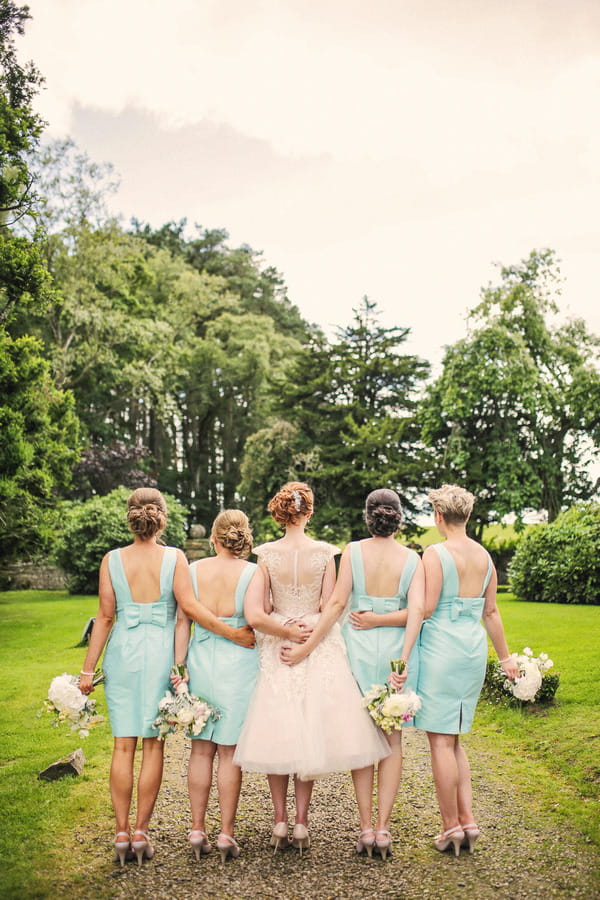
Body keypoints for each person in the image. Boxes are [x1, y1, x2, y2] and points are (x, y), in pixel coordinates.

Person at [234, 482, 389, 854]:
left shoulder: (266, 555)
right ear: (309, 512)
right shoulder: (325, 553)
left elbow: (255, 614)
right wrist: (308, 639)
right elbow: (329, 607)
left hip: (279, 645)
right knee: (308, 733)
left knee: (277, 731)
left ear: (281, 512)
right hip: (316, 643)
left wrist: (285, 629)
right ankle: (302, 823)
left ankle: (280, 819)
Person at [403, 484, 520, 857]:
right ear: (467, 516)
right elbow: (491, 613)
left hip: (441, 651)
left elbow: (425, 608)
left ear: (439, 516)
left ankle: (450, 827)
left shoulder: (434, 554)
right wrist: (506, 660)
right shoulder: (485, 557)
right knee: (455, 739)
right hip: (472, 651)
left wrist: (400, 652)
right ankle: (468, 822)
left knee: (440, 740)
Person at [79, 488, 194, 867]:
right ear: (160, 516)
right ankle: (142, 832)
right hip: (160, 655)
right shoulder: (176, 558)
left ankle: (121, 832)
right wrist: (178, 667)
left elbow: (105, 618)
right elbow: (183, 617)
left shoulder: (111, 560)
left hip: (123, 656)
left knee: (122, 745)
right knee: (153, 746)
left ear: (131, 517)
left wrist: (86, 670)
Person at [336, 488, 425, 860]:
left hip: (355, 647)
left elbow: (338, 602)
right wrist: (402, 661)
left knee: (362, 739)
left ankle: (365, 827)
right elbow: (418, 611)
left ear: (367, 515)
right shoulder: (413, 559)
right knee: (392, 741)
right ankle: (383, 830)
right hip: (395, 653)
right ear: (398, 517)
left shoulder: (352, 553)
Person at [172, 510, 258, 864]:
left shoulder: (193, 571)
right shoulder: (253, 573)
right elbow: (258, 620)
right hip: (239, 664)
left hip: (201, 661)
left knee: (200, 749)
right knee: (228, 752)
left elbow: (182, 622)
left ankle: (196, 829)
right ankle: (226, 833)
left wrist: (180, 667)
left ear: (213, 537)